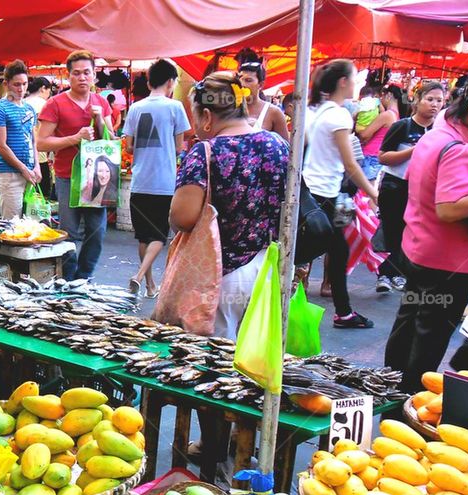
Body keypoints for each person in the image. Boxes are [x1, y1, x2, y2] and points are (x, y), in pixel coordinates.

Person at [384, 70, 468, 392]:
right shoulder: (456, 148)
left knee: (408, 324)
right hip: (448, 262)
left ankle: (390, 388)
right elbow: (448, 208)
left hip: (419, 248)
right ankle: (410, 401)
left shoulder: (437, 132)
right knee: (429, 336)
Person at [169, 71, 289, 338]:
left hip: (220, 275)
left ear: (208, 116)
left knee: (214, 364)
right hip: (269, 268)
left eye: (196, 116)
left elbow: (184, 218)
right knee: (255, 359)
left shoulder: (206, 151)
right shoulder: (278, 144)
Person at [301, 59, 377, 329]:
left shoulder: (317, 110)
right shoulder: (338, 115)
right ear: (343, 82)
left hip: (314, 191)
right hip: (324, 195)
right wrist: (372, 192)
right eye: (354, 79)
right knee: (312, 250)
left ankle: (344, 312)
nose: (356, 84)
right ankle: (343, 312)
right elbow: (350, 164)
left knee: (335, 249)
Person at [38, 50, 114, 280]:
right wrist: (75, 138)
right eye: (77, 73)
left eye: (87, 73)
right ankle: (69, 277)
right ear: (68, 76)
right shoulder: (55, 103)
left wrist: (100, 118)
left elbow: (110, 138)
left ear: (94, 76)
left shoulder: (101, 102)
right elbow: (41, 142)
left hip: (97, 176)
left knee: (97, 231)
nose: (82, 78)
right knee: (68, 232)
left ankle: (84, 276)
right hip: (67, 176)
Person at [122, 58, 190, 298]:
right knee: (159, 235)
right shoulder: (175, 108)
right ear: (171, 81)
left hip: (140, 180)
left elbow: (128, 146)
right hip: (164, 181)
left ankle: (150, 285)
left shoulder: (135, 108)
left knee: (144, 235)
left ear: (149, 81)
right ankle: (140, 276)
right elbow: (180, 147)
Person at [375, 81, 445, 293]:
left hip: (424, 190)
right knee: (394, 231)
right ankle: (389, 274)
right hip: (395, 187)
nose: (434, 105)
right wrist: (413, 151)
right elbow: (383, 157)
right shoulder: (402, 126)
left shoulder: (440, 130)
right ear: (417, 100)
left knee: (412, 233)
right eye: (429, 99)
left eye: (439, 100)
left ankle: (390, 273)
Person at [0, 60, 39, 219]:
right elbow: (0, 146)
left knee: (32, 223)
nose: (21, 89)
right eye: (17, 84)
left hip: (31, 172)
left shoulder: (29, 108)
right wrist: (23, 169)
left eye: (24, 84)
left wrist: (37, 166)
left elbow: (33, 140)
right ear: (6, 83)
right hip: (10, 174)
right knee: (12, 225)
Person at [237, 53, 289, 141]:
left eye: (248, 80)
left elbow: (284, 148)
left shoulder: (273, 112)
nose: (242, 84)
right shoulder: (230, 109)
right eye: (240, 80)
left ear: (260, 85)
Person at [357, 84, 403, 181]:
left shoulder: (386, 115)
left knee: (362, 191)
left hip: (370, 157)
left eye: (382, 96)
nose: (380, 99)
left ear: (389, 95)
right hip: (379, 157)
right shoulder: (397, 115)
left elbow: (364, 135)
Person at [26, 77, 54, 198]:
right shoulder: (43, 104)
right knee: (41, 193)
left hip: (23, 153)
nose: (49, 95)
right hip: (39, 154)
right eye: (49, 91)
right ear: (43, 88)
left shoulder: (23, 102)